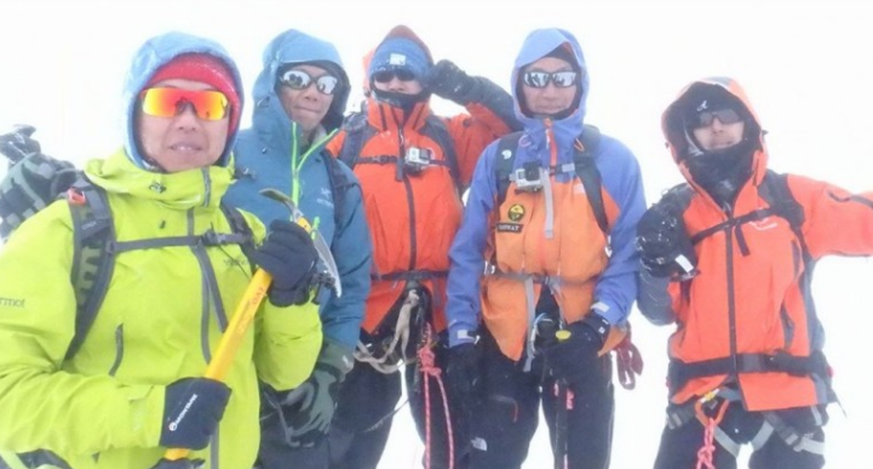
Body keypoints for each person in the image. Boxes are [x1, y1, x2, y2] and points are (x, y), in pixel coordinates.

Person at [0, 31, 323, 469]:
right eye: (167, 102)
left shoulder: (243, 233)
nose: (190, 121)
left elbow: (283, 374)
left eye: (210, 106)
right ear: (134, 113)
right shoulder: (68, 232)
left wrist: (292, 301)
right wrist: (152, 415)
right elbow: (8, 398)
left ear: (229, 123)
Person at [636, 76, 873, 469]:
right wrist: (655, 266)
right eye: (702, 119)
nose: (715, 126)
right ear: (686, 133)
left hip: (790, 394)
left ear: (747, 121)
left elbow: (863, 219)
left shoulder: (790, 198)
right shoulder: (673, 215)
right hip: (702, 398)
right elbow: (658, 311)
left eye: (726, 114)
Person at [445, 28, 646, 469]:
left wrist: (599, 323)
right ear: (519, 85)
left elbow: (631, 252)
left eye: (562, 78)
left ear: (580, 82)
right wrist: (459, 333)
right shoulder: (499, 159)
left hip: (583, 339)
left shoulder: (611, 159)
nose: (550, 90)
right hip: (503, 338)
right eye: (536, 79)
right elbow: (468, 250)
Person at [323, 24, 520, 469]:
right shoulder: (345, 141)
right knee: (350, 438)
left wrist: (469, 89)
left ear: (424, 80)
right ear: (370, 79)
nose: (395, 85)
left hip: (444, 315)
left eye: (407, 75)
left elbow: (515, 128)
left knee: (455, 442)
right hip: (365, 316)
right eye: (386, 76)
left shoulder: (450, 136)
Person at [222, 29, 372, 469]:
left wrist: (330, 368)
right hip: (216, 356)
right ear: (272, 82)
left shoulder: (342, 181)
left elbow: (353, 280)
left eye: (327, 85)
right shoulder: (224, 151)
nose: (314, 93)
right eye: (299, 79)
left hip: (297, 377)